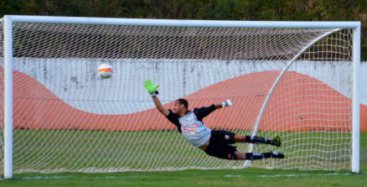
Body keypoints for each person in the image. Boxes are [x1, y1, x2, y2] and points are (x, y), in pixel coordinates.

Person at [144, 80, 285, 160]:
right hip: (209, 148)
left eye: (175, 104)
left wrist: (223, 104)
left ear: (183, 106)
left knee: (240, 138)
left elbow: (211, 107)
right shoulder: (176, 120)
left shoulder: (195, 113)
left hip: (214, 135)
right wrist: (153, 95)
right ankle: (270, 155)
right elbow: (161, 110)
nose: (172, 107)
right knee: (238, 156)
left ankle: (270, 141)